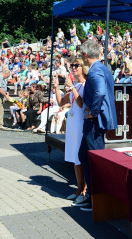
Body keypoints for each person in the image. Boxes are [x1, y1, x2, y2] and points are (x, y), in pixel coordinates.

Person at [77, 40, 117, 212]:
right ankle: (92, 197)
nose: (80, 58)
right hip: (94, 121)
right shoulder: (102, 68)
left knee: (95, 160)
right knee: (84, 156)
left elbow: (100, 92)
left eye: (80, 55)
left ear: (86, 55)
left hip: (94, 121)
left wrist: (93, 110)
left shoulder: (95, 71)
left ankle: (98, 201)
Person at [55, 59, 88, 205]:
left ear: (83, 67)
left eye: (76, 65)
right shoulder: (76, 86)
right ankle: (78, 188)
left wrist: (73, 87)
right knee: (76, 158)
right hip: (73, 125)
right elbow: (61, 102)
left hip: (82, 124)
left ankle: (85, 190)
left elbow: (81, 103)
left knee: (82, 157)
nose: (73, 68)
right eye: (72, 66)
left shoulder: (86, 85)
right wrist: (56, 88)